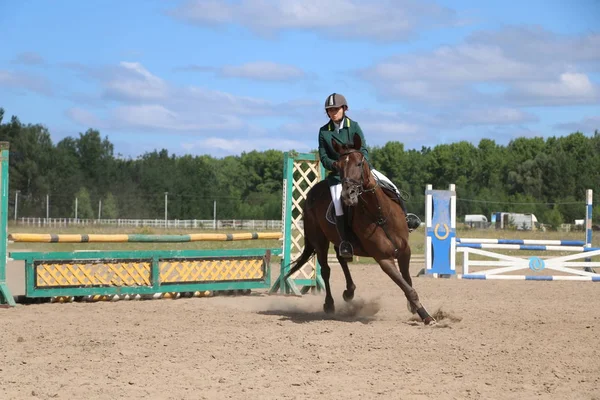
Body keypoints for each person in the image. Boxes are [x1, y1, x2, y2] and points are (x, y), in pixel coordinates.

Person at [317, 93, 422, 259]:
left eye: (336, 109)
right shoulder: (324, 132)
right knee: (338, 205)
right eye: (330, 110)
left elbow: (364, 149)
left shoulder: (354, 126)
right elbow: (323, 157)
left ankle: (407, 217)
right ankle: (345, 242)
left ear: (344, 109)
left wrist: (361, 164)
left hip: (361, 170)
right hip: (340, 176)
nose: (333, 112)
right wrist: (336, 165)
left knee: (391, 186)